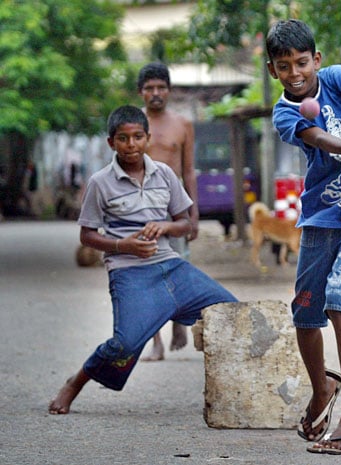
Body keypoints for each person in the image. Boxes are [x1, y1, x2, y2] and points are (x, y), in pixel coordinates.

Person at [48, 105, 237, 414]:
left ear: (148, 138)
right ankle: (75, 383)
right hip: (129, 272)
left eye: (138, 137)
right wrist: (124, 245)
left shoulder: (164, 174)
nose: (131, 144)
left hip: (171, 266)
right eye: (123, 138)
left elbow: (185, 223)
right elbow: (87, 236)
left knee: (232, 313)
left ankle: (234, 391)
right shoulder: (100, 182)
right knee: (124, 346)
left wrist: (165, 226)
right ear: (111, 142)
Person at [265, 19, 341, 455]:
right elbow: (319, 138)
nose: (295, 73)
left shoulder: (332, 78)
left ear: (316, 59)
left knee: (337, 297)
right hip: (320, 215)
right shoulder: (284, 111)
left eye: (301, 62)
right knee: (306, 311)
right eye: (284, 66)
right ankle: (322, 388)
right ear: (273, 70)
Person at [137, 62, 199, 361]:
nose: (156, 93)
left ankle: (178, 321)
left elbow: (188, 171)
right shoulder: (134, 124)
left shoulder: (182, 124)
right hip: (140, 203)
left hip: (174, 205)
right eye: (150, 88)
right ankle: (156, 341)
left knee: (177, 267)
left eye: (161, 87)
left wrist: (192, 214)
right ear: (141, 92)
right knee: (146, 271)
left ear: (169, 91)